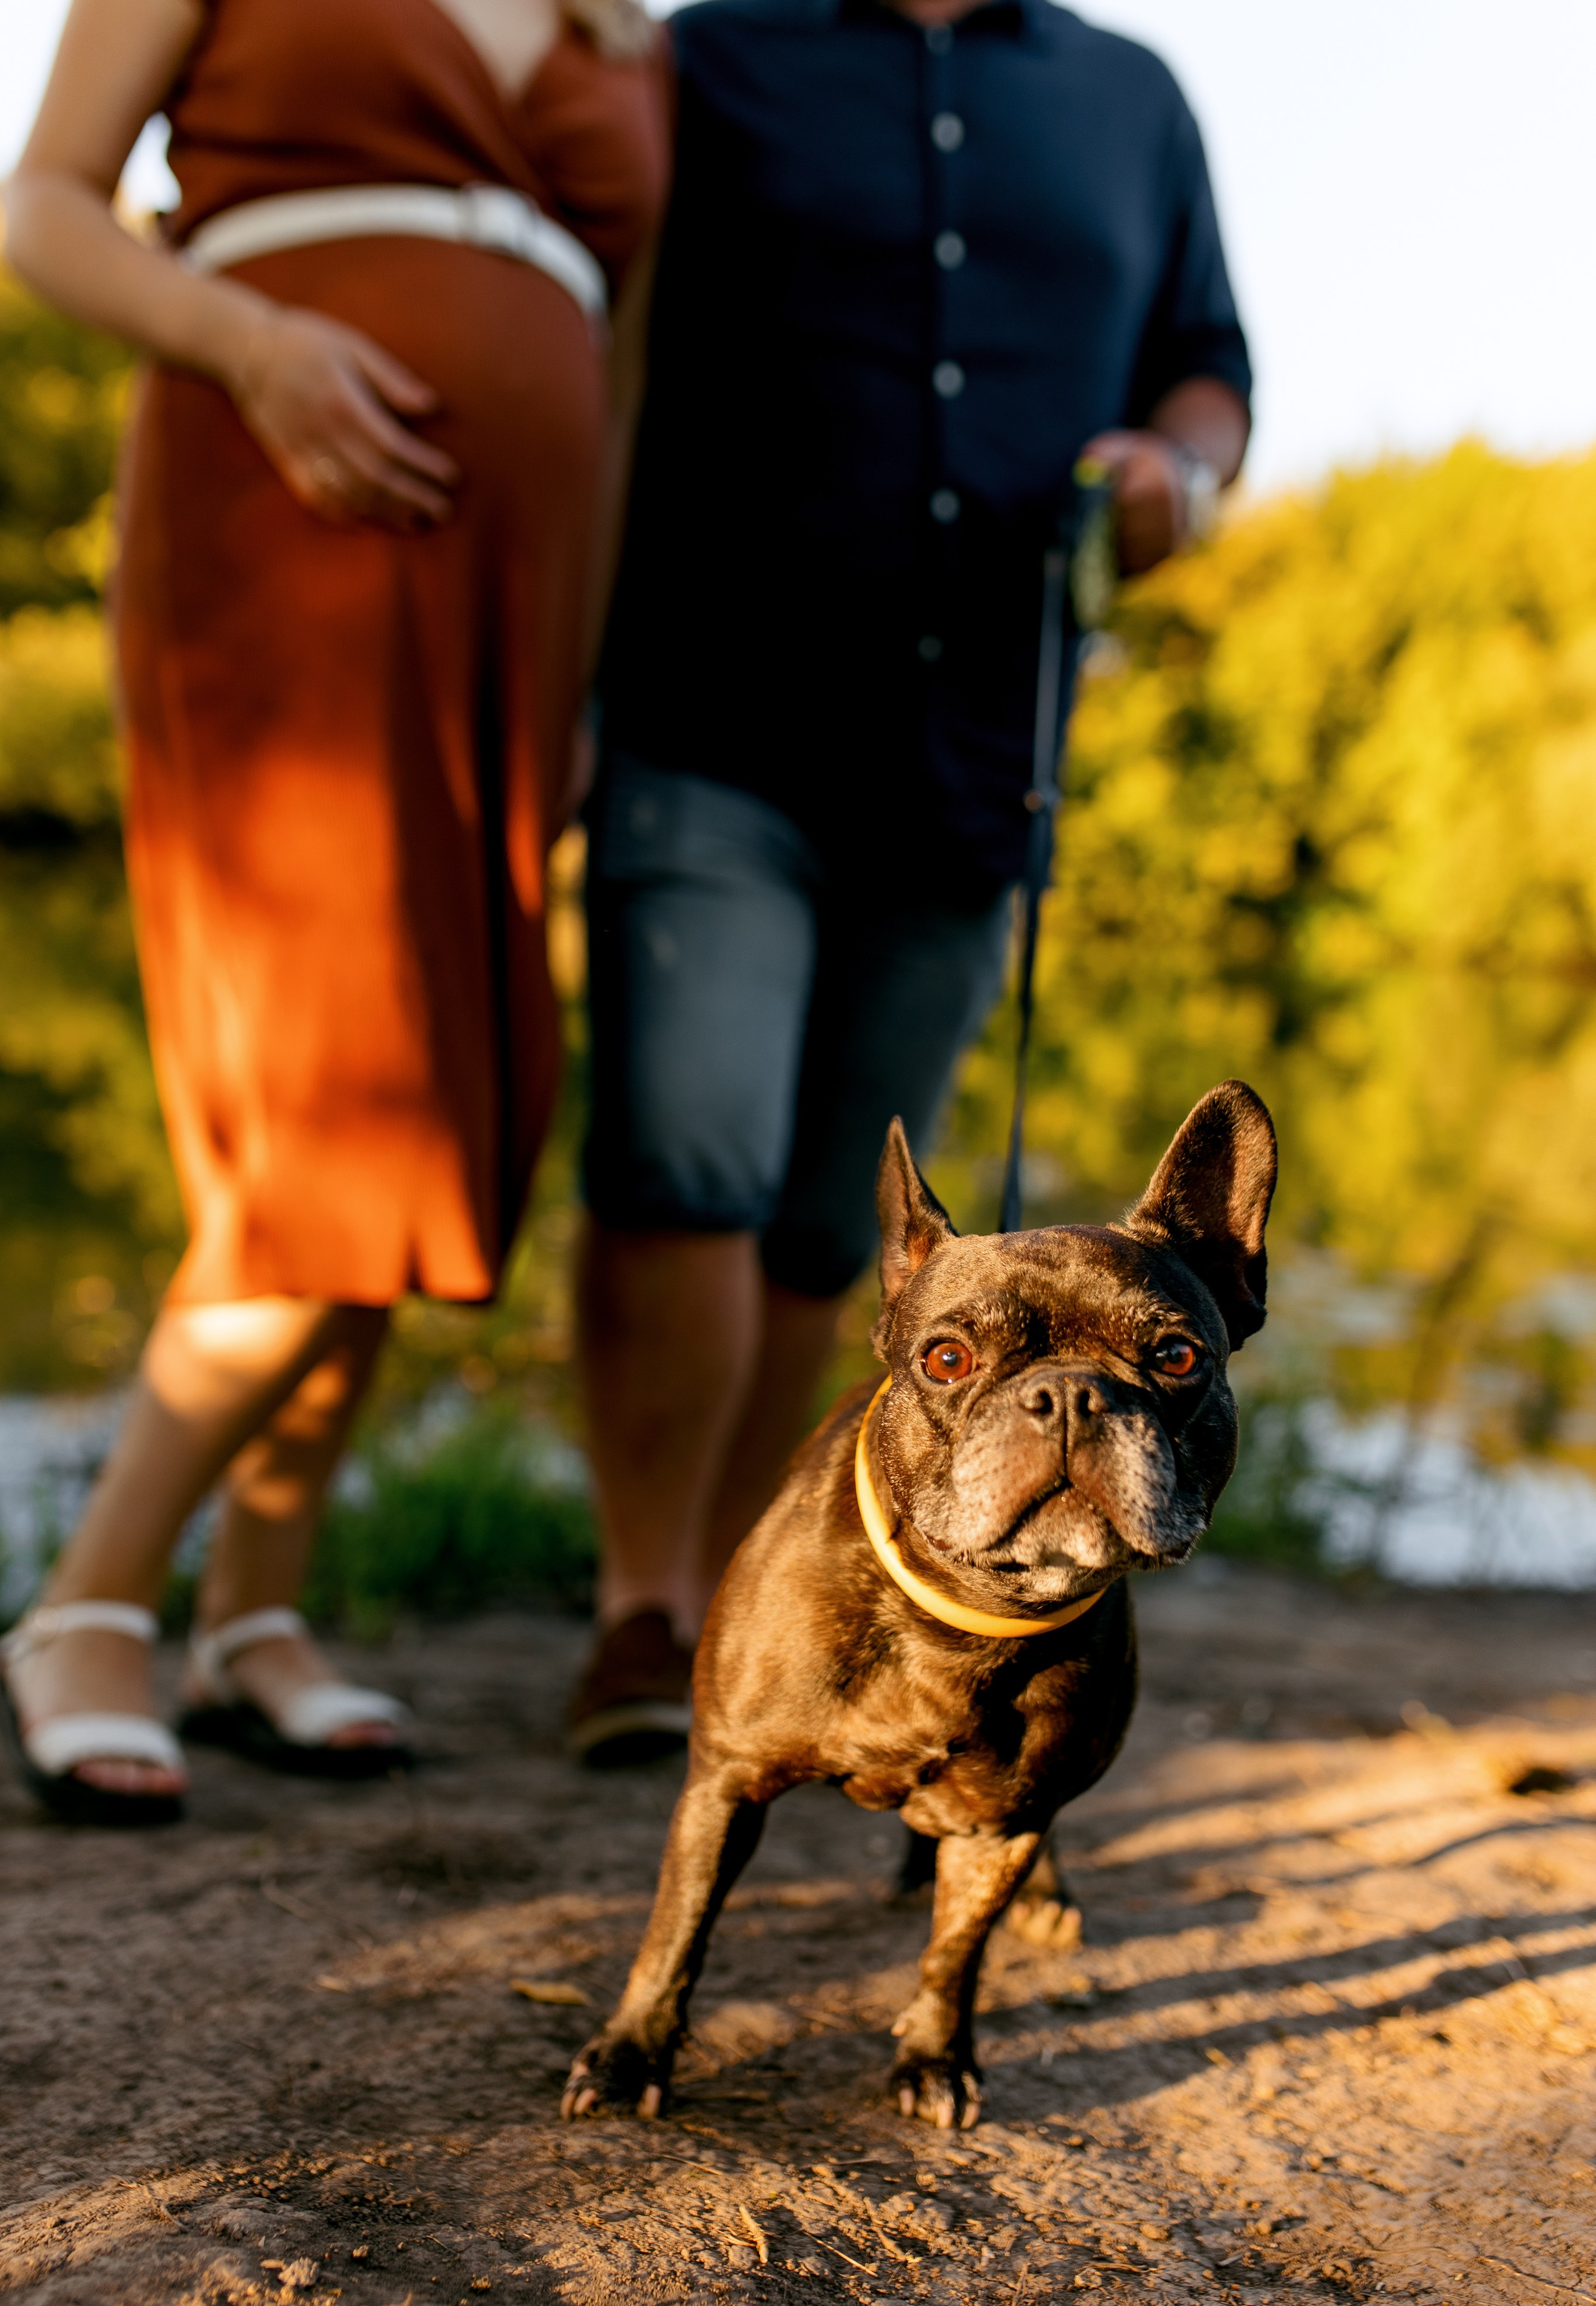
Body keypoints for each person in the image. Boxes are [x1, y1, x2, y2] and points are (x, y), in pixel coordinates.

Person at [0, 0, 668, 1824]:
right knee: (336, 1096)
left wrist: (578, 675)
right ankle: (87, 1605)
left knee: (449, 1098)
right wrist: (256, 344)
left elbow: (611, 390)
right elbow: (44, 206)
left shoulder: (629, 30)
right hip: (276, 536)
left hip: (507, 617)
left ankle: (254, 1608)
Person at [564, 0, 1251, 1761]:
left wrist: (1176, 470)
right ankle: (641, 1610)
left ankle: (750, 1576)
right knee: (682, 1164)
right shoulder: (706, 59)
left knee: (834, 1219)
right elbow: (598, 334)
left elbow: (1205, 371)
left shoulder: (1131, 97)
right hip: (711, 707)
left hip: (973, 753)